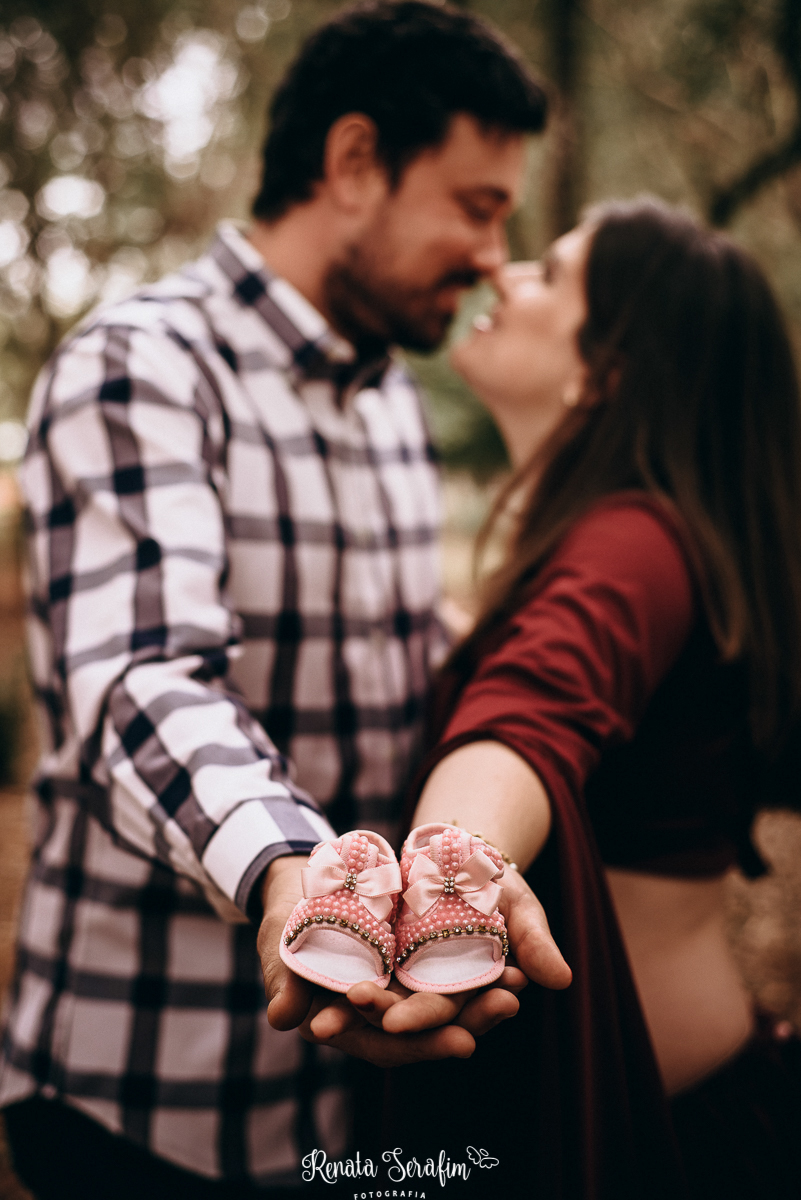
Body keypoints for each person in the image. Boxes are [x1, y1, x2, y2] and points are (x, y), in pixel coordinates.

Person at [0, 3, 556, 1196]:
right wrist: (292, 870)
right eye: (476, 206)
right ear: (354, 162)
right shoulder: (144, 365)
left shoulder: (390, 404)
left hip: (357, 1102)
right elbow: (142, 678)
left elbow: (390, 652)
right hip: (147, 1101)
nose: (492, 257)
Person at [368, 199, 801, 1198]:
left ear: (605, 370)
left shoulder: (633, 540)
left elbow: (529, 712)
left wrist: (449, 869)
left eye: (552, 273)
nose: (505, 272)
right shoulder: (631, 535)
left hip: (670, 1146)